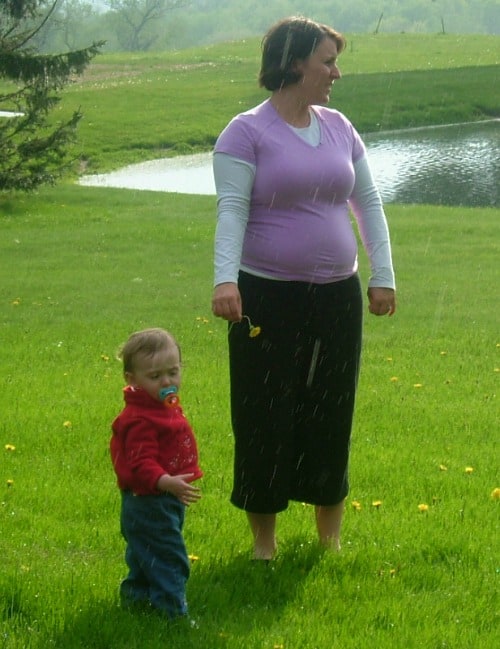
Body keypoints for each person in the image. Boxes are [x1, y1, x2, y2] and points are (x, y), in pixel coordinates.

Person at [211, 16, 396, 560]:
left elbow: (369, 204)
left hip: (338, 296)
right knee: (264, 408)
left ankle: (328, 540)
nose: (335, 73)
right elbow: (232, 210)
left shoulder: (340, 126)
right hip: (266, 294)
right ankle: (264, 546)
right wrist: (225, 279)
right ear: (295, 64)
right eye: (327, 61)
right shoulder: (244, 132)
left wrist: (382, 274)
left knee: (331, 409)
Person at [110, 327, 203, 619]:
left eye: (173, 372)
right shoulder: (139, 419)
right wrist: (167, 482)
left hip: (157, 499)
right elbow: (141, 463)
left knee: (144, 554)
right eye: (155, 377)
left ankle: (137, 601)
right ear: (131, 380)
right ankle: (172, 614)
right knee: (168, 557)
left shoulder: (159, 406)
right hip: (151, 501)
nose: (167, 382)